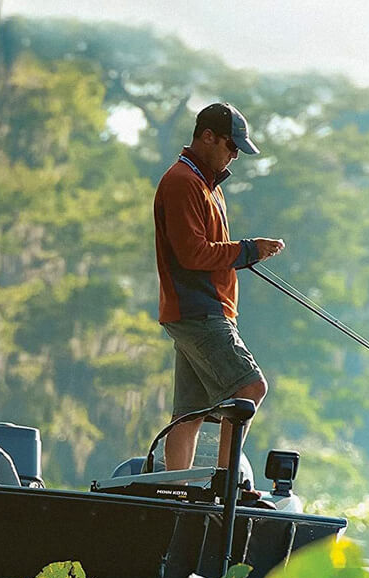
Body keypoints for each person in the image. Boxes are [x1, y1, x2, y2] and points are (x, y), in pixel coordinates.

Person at [154, 102, 285, 472]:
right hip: (199, 310)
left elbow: (205, 252)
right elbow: (193, 254)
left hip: (201, 310)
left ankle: (174, 492)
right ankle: (230, 486)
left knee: (189, 414)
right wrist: (248, 251)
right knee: (249, 389)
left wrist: (246, 254)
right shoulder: (183, 182)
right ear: (207, 136)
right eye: (231, 147)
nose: (233, 157)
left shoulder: (207, 185)